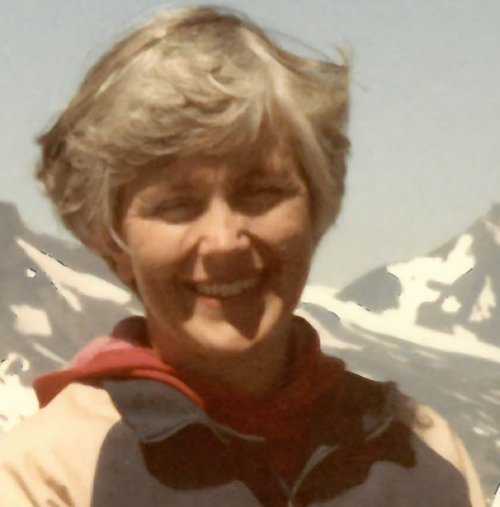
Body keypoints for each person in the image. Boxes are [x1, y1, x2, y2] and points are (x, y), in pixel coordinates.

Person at [0, 6, 485, 506]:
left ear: (317, 211)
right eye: (176, 205)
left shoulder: (424, 455)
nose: (224, 240)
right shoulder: (50, 475)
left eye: (261, 193)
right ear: (113, 243)